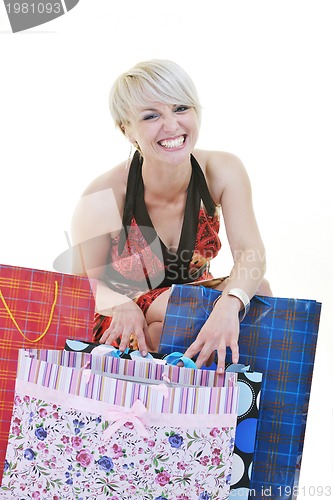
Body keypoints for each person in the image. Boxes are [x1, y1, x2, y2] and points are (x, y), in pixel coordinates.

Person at [71, 59, 272, 374]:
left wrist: (229, 305)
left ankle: (235, 403)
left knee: (259, 293)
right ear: (127, 130)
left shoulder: (222, 170)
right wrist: (121, 305)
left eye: (181, 108)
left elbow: (251, 254)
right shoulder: (104, 194)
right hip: (123, 313)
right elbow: (85, 283)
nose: (172, 126)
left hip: (193, 306)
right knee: (170, 311)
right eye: (151, 116)